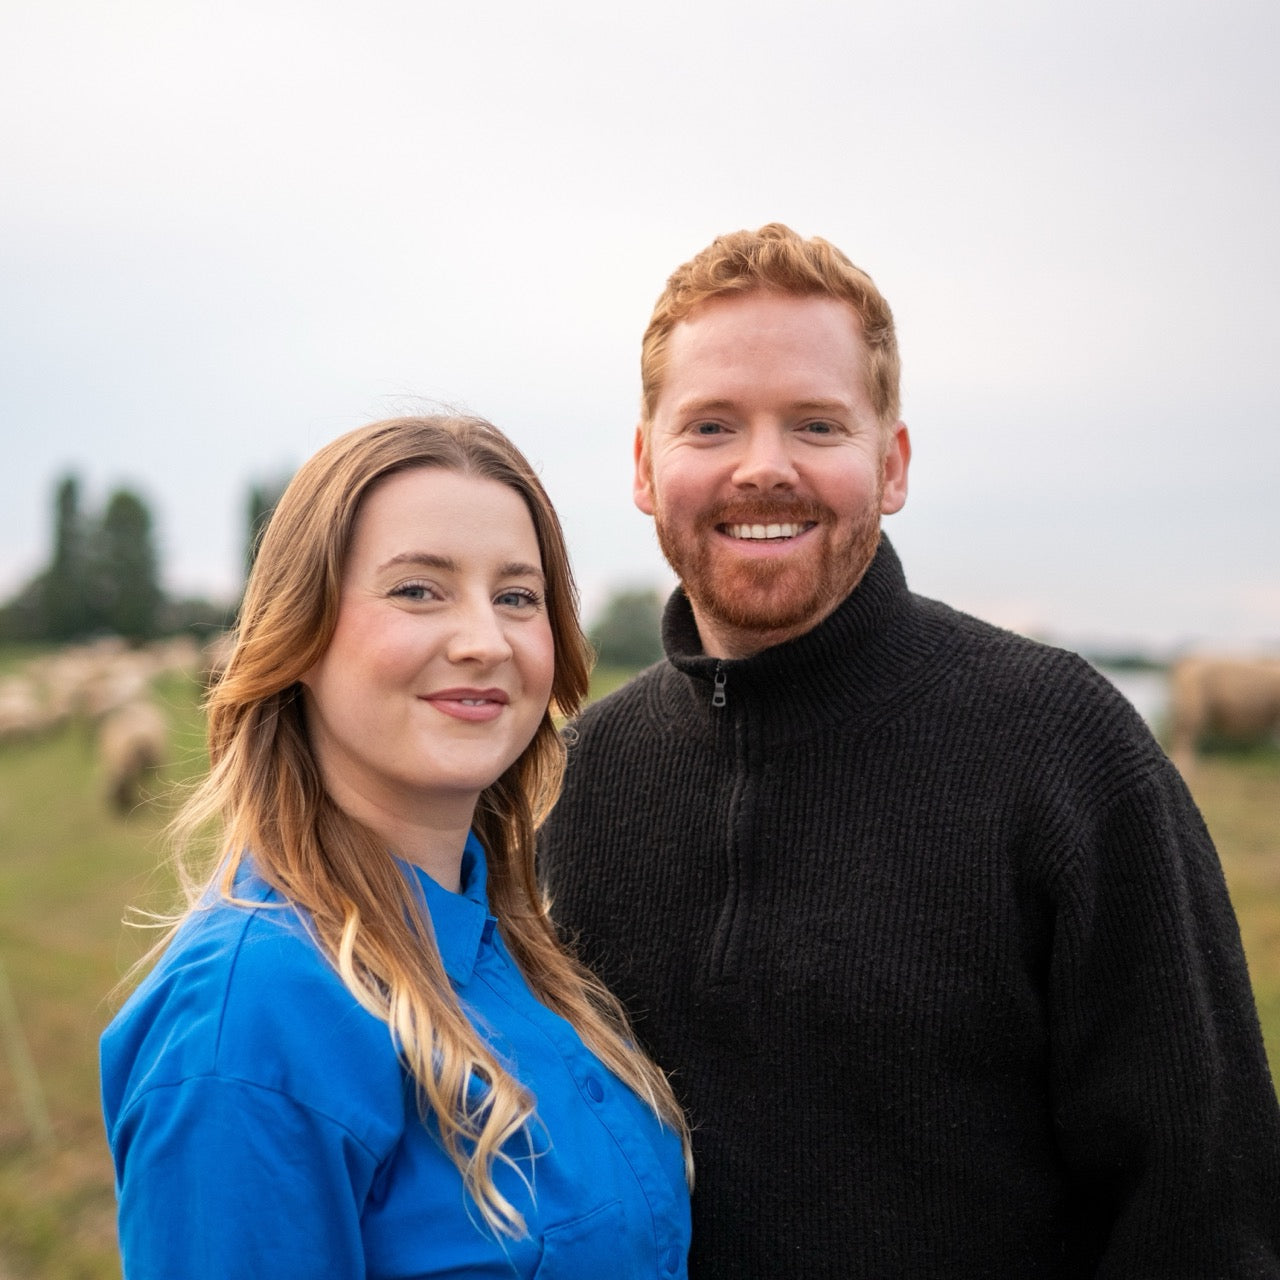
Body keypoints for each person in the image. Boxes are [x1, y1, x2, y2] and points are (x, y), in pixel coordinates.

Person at [539, 225, 1280, 1278]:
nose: (762, 466)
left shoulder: (1063, 750)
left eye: (814, 423)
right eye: (710, 424)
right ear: (643, 466)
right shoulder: (581, 782)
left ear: (888, 464)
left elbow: (1205, 1217)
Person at [101, 415, 692, 1279]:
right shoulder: (250, 1027)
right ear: (298, 635)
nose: (484, 640)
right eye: (419, 590)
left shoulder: (521, 956)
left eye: (518, 596)